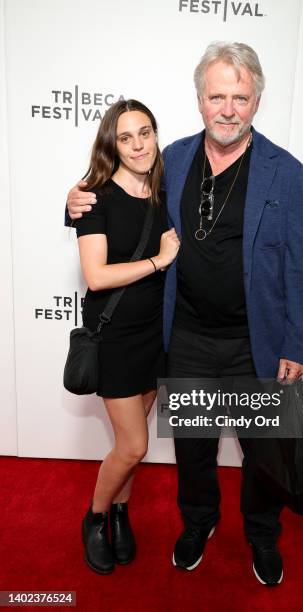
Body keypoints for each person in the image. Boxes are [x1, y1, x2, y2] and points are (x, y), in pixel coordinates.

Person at [66, 42, 303, 586]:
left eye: (240, 98)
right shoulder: (171, 160)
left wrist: (297, 343)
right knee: (194, 447)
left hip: (257, 341)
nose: (228, 109)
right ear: (200, 100)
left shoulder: (285, 171)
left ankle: (263, 535)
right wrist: (74, 198)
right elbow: (117, 192)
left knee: (263, 453)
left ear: (257, 101)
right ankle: (197, 524)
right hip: (188, 336)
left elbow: (299, 264)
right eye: (217, 96)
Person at [70, 99, 180, 575]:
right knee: (133, 445)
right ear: (111, 145)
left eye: (146, 133)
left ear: (156, 136)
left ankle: (120, 511)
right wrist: (158, 260)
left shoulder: (165, 190)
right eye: (126, 137)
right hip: (115, 337)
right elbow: (95, 276)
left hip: (155, 335)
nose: (138, 145)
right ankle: (95, 517)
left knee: (129, 443)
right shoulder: (93, 196)